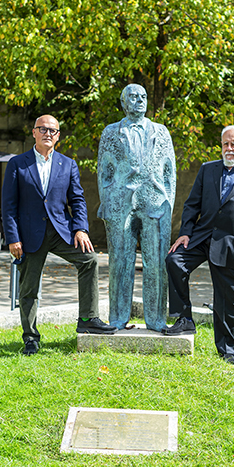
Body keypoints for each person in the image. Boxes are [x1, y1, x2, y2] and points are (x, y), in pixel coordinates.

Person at [2, 114, 117, 355]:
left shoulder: (68, 164)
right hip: (29, 235)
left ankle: (87, 319)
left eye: (52, 130)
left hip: (62, 231)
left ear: (58, 136)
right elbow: (9, 205)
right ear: (33, 132)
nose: (47, 133)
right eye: (42, 129)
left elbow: (77, 199)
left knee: (89, 260)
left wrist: (81, 228)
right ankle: (31, 338)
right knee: (28, 288)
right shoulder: (17, 163)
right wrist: (13, 237)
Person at [164, 125, 234, 364]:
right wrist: (185, 233)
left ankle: (227, 350)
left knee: (228, 298)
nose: (229, 148)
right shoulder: (207, 169)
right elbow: (192, 204)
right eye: (225, 143)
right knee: (175, 260)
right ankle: (184, 320)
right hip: (202, 237)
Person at [97, 84, 176, 332]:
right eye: (133, 97)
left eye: (143, 97)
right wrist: (109, 201)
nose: (139, 101)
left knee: (156, 263)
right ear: (123, 102)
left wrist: (168, 205)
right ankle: (118, 318)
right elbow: (104, 172)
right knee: (119, 261)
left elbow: (170, 173)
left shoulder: (161, 132)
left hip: (155, 204)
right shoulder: (110, 132)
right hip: (120, 204)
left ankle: (156, 319)